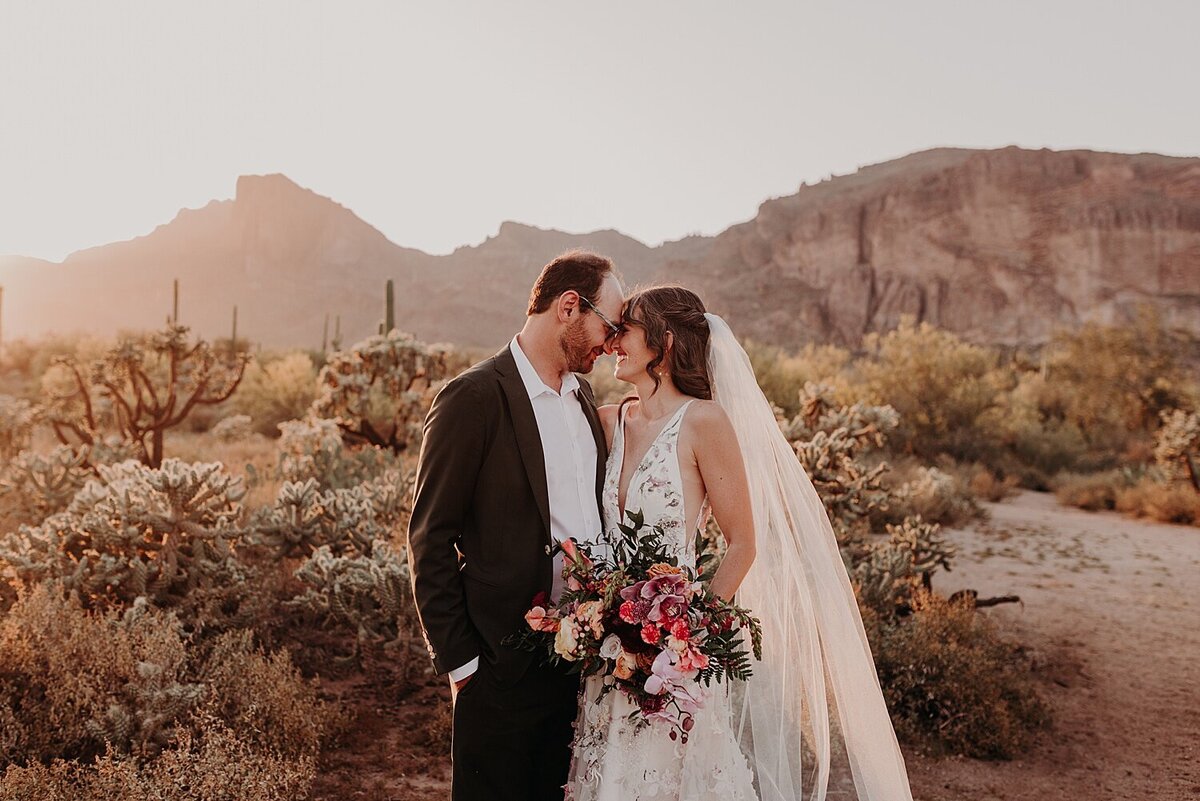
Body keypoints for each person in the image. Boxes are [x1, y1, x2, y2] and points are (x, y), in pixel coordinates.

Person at [565, 286, 914, 801]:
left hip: (671, 661)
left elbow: (743, 542)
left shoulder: (704, 422)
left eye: (627, 330)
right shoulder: (609, 421)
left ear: (661, 344)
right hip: (609, 653)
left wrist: (686, 634)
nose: (615, 341)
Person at [408, 250, 625, 801]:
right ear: (569, 307)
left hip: (585, 665)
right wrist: (464, 666)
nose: (613, 341)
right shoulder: (473, 398)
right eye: (610, 324)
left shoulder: (583, 398)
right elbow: (429, 538)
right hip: (500, 667)